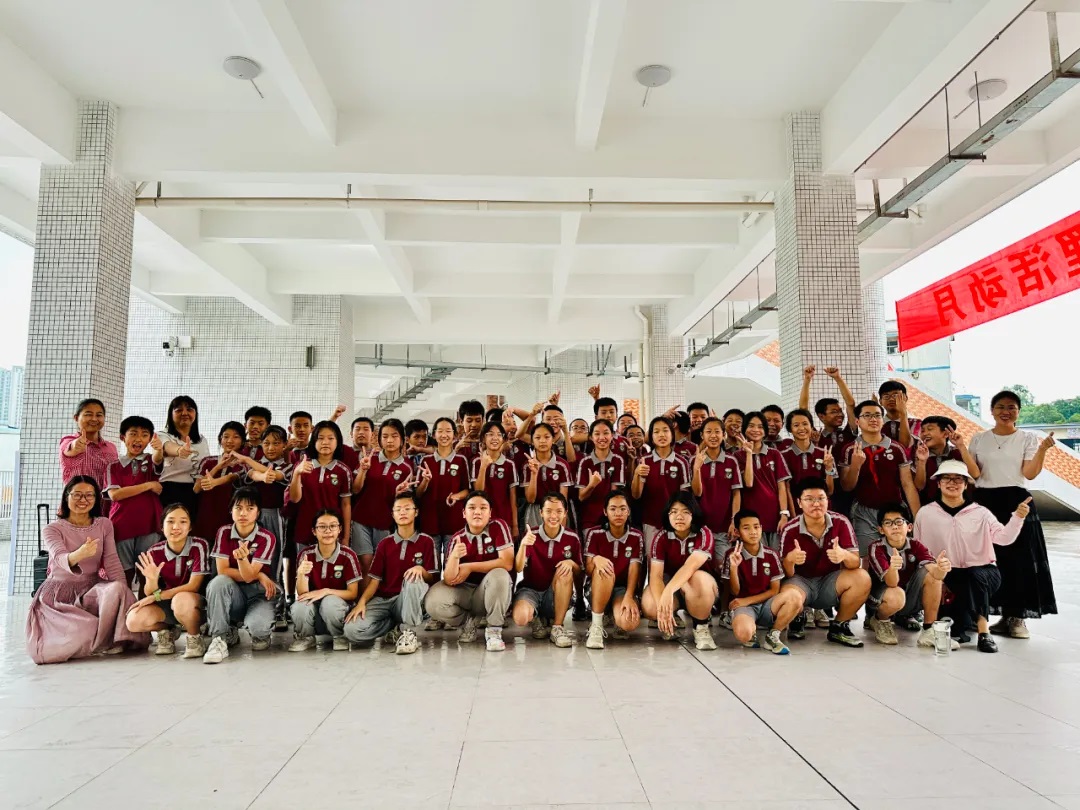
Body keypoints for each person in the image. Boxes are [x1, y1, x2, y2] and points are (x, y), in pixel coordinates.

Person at [26, 476, 150, 664]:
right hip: (59, 596)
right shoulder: (52, 529)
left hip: (91, 590)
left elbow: (112, 561)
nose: (83, 500)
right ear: (66, 496)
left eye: (89, 495)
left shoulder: (104, 524)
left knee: (117, 588)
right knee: (83, 631)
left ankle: (111, 637)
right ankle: (102, 639)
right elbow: (59, 557)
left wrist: (124, 598)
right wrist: (79, 554)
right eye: (77, 495)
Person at [914, 459, 1031, 653]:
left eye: (958, 479)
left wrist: (1018, 517)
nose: (952, 483)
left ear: (966, 484)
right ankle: (961, 620)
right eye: (947, 478)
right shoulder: (925, 513)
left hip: (983, 571)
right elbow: (919, 549)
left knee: (974, 575)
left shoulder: (981, 513)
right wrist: (936, 578)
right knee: (957, 629)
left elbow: (1004, 538)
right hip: (947, 574)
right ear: (939, 483)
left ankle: (984, 632)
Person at [967, 390, 1057, 639]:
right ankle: (982, 615)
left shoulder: (1027, 438)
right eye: (1000, 407)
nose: (1005, 412)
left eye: (1011, 407)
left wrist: (1043, 450)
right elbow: (974, 473)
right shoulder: (979, 439)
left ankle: (1016, 618)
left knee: (1019, 560)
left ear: (1018, 411)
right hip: (984, 501)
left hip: (1016, 501)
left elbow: (1029, 473)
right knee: (987, 558)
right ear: (991, 410)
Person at [777, 479, 870, 647]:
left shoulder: (841, 522)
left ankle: (839, 626)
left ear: (828, 500)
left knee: (862, 577)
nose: (816, 504)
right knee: (788, 592)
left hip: (830, 582)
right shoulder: (789, 529)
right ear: (799, 503)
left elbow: (855, 562)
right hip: (801, 582)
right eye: (809, 499)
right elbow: (786, 574)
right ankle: (798, 617)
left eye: (821, 498)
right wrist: (790, 560)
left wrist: (843, 555)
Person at [345, 494, 437, 654]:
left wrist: (421, 570)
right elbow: (374, 581)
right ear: (392, 515)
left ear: (416, 512)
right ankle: (392, 627)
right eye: (398, 509)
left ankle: (408, 632)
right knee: (351, 631)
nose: (403, 512)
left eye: (407, 508)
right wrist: (362, 602)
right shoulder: (385, 543)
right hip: (384, 600)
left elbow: (432, 578)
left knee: (413, 579)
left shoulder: (426, 541)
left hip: (407, 599)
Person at [424, 491, 514, 652]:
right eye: (472, 508)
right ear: (464, 513)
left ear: (490, 513)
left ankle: (494, 631)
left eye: (483, 508)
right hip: (465, 593)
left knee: (500, 574)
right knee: (433, 600)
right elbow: (449, 579)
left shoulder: (498, 526)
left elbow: (507, 563)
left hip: (490, 591)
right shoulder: (457, 538)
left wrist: (470, 566)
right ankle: (469, 623)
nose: (477, 512)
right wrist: (454, 557)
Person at [203, 486, 278, 664]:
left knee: (259, 630)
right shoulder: (224, 532)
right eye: (238, 508)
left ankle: (259, 631)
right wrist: (259, 575)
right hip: (234, 593)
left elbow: (250, 576)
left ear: (258, 513)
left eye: (250, 508)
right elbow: (223, 571)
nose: (243, 513)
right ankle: (219, 639)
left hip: (259, 595)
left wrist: (245, 562)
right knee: (218, 582)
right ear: (231, 510)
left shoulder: (267, 537)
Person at [124, 503, 210, 658]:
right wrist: (151, 580)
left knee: (180, 600)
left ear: (190, 527)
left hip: (194, 604)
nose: (176, 527)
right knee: (133, 620)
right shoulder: (154, 551)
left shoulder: (199, 546)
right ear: (162, 527)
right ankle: (167, 631)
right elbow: (150, 592)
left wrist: (156, 596)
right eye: (170, 522)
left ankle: (194, 637)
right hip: (167, 604)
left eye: (183, 522)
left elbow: (194, 586)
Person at [865, 503, 955, 649]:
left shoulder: (916, 545)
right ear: (881, 530)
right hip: (882, 600)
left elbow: (936, 574)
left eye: (899, 522)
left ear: (909, 527)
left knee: (932, 576)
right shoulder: (876, 547)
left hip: (907, 599)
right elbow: (891, 583)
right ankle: (880, 620)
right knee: (896, 595)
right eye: (888, 523)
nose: (894, 527)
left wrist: (941, 568)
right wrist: (893, 567)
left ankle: (928, 630)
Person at [839, 400, 921, 556]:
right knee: (866, 556)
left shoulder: (897, 448)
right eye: (867, 415)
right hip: (864, 512)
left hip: (895, 510)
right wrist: (856, 465)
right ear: (857, 421)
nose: (873, 419)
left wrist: (918, 517)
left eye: (877, 415)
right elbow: (847, 486)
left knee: (899, 555)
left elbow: (908, 484)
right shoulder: (849, 449)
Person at [642, 492, 719, 651]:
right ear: (668, 515)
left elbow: (690, 566)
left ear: (693, 514)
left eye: (685, 512)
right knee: (650, 604)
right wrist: (663, 607)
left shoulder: (704, 533)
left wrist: (668, 591)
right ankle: (671, 619)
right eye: (674, 512)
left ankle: (701, 626)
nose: (679, 516)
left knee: (698, 578)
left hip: (697, 587)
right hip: (673, 587)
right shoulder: (661, 536)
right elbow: (655, 576)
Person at [512, 494, 582, 648]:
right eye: (549, 511)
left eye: (558, 511)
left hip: (555, 594)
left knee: (565, 570)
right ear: (541, 513)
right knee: (520, 618)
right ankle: (536, 619)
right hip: (531, 590)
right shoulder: (531, 535)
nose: (553, 516)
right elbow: (518, 568)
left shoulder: (572, 538)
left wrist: (571, 563)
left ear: (565, 513)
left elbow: (578, 572)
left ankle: (557, 627)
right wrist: (523, 545)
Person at [289, 508, 362, 652]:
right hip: (314, 612)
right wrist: (301, 574)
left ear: (339, 529)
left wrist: (326, 591)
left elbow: (353, 593)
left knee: (330, 602)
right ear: (314, 531)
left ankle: (339, 636)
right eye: (322, 527)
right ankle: (305, 637)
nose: (328, 531)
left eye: (333, 526)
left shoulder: (348, 555)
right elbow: (302, 593)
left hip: (337, 611)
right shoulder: (306, 554)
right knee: (300, 605)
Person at [721, 510, 793, 655]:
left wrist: (747, 600)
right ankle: (750, 628)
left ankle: (773, 635)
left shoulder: (771, 554)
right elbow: (734, 591)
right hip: (743, 607)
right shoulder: (731, 554)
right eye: (746, 528)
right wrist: (734, 567)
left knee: (794, 596)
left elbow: (774, 590)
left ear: (761, 528)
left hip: (767, 605)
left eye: (756, 527)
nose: (753, 532)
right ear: (737, 532)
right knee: (744, 634)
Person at [103, 415, 163, 585]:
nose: (138, 439)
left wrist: (159, 449)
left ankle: (146, 603)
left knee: (148, 573)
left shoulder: (151, 461)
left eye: (144, 435)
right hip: (121, 525)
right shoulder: (113, 466)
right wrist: (149, 485)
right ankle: (124, 602)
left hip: (150, 524)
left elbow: (158, 459)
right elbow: (115, 495)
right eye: (133, 434)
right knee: (124, 574)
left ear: (150, 439)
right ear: (123, 437)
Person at [244, 424, 293, 630]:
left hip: (275, 516)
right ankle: (256, 606)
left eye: (276, 443)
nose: (271, 448)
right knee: (253, 561)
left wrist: (247, 460)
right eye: (266, 443)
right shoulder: (256, 465)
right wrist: (259, 473)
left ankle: (279, 609)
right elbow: (252, 475)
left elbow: (277, 476)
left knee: (275, 563)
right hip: (252, 518)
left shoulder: (288, 466)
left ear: (284, 445)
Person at [583, 491, 644, 649]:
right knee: (605, 569)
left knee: (628, 623)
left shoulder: (636, 536)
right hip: (597, 587)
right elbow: (588, 570)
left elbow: (634, 569)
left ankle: (612, 616)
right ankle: (596, 625)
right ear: (605, 512)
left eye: (623, 509)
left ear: (628, 511)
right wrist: (596, 559)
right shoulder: (595, 533)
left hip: (621, 589)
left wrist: (629, 596)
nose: (618, 513)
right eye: (613, 509)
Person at [351, 418, 412, 566]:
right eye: (385, 436)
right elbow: (355, 489)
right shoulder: (369, 459)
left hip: (386, 523)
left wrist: (398, 494)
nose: (389, 440)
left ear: (402, 439)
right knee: (365, 562)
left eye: (394, 436)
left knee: (380, 564)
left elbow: (406, 502)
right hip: (360, 519)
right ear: (379, 439)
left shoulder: (407, 467)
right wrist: (363, 471)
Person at [288, 420, 352, 557]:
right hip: (305, 528)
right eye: (320, 438)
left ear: (338, 441)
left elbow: (346, 504)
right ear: (314, 441)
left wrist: (346, 537)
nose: (325, 442)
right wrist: (297, 473)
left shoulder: (343, 471)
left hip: (331, 531)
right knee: (304, 567)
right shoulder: (302, 465)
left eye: (330, 438)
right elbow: (294, 498)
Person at [416, 416, 470, 572]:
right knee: (431, 567)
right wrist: (425, 481)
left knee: (451, 566)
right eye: (440, 431)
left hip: (454, 522)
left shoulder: (461, 460)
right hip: (429, 520)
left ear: (455, 435)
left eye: (448, 431)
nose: (444, 435)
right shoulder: (426, 460)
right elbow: (418, 494)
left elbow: (467, 490)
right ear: (434, 435)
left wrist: (456, 496)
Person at [735, 411, 792, 552]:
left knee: (776, 556)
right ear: (744, 429)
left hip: (774, 518)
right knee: (757, 556)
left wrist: (784, 514)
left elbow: (782, 487)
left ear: (765, 430)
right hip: (751, 521)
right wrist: (749, 454)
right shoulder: (737, 456)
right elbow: (748, 483)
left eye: (760, 427)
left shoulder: (775, 454)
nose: (756, 430)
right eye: (751, 426)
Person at [631, 416, 691, 549]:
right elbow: (636, 495)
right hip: (650, 521)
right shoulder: (644, 460)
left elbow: (684, 496)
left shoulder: (681, 462)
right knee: (651, 556)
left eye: (665, 430)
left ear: (672, 434)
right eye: (656, 431)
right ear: (651, 437)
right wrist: (637, 474)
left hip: (675, 520)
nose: (661, 435)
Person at [193, 421, 257, 543]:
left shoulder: (244, 464)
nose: (230, 441)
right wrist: (218, 467)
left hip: (229, 519)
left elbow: (231, 477)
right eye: (226, 436)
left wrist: (214, 482)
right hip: (205, 517)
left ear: (243, 441)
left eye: (236, 437)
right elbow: (196, 489)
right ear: (220, 439)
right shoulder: (208, 461)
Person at [159, 395, 211, 517]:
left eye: (189, 409)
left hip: (195, 491)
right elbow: (167, 446)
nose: (184, 413)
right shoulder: (162, 435)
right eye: (179, 410)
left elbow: (206, 465)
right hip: (169, 490)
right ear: (171, 414)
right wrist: (179, 450)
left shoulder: (202, 440)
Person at [576, 419, 627, 532]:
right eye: (597, 434)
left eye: (606, 433)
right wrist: (592, 485)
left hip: (612, 519)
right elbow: (581, 497)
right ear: (591, 437)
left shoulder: (618, 460)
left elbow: (615, 495)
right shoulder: (585, 462)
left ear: (612, 435)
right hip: (589, 519)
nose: (602, 437)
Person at [913, 416, 979, 503]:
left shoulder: (958, 452)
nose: (924, 433)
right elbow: (919, 486)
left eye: (930, 429)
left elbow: (975, 474)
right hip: (931, 505)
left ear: (945, 434)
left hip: (961, 504)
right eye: (922, 431)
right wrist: (922, 461)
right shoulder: (918, 455)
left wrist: (961, 446)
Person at [470, 421, 520, 536]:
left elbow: (513, 497)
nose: (495, 438)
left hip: (504, 518)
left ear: (504, 439)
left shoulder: (509, 464)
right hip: (481, 519)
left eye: (499, 435)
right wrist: (483, 466)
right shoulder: (476, 461)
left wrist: (515, 525)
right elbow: (478, 491)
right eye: (490, 434)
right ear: (483, 438)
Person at [521, 422, 572, 530]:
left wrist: (562, 524)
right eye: (537, 437)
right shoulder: (527, 465)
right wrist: (534, 473)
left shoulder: (562, 465)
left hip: (557, 511)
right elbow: (530, 499)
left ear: (553, 440)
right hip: (535, 512)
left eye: (547, 437)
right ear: (532, 441)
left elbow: (563, 499)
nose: (542, 441)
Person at [59, 398, 119, 488]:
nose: (94, 419)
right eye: (88, 414)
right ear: (76, 418)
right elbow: (70, 448)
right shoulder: (67, 441)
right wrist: (76, 445)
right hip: (80, 497)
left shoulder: (111, 447)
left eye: (99, 415)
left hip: (106, 497)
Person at [798, 365, 858, 455]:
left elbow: (851, 404)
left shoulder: (849, 432)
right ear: (822, 416)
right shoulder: (815, 435)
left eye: (840, 411)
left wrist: (837, 378)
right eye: (834, 412)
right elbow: (803, 410)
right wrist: (807, 379)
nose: (840, 414)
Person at [781, 408, 836, 500]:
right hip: (795, 507)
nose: (801, 428)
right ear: (790, 429)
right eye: (796, 425)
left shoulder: (824, 454)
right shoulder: (782, 456)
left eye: (805, 424)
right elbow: (783, 490)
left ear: (811, 426)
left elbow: (829, 491)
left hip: (819, 506)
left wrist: (829, 468)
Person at [878, 380, 920, 449]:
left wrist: (903, 414)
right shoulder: (877, 424)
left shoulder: (916, 423)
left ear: (905, 398)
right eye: (886, 396)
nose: (891, 399)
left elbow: (906, 445)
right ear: (880, 401)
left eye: (895, 396)